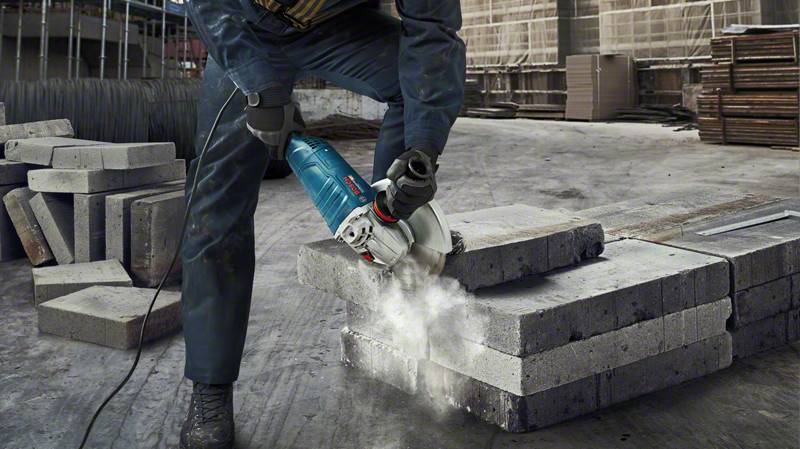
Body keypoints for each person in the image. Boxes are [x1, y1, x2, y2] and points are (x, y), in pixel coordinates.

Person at [180, 1, 466, 447]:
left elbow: (433, 31)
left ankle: (389, 223)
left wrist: (423, 146)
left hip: (334, 28)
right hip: (245, 27)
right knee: (215, 203)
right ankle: (210, 384)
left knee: (411, 84)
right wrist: (256, 82)